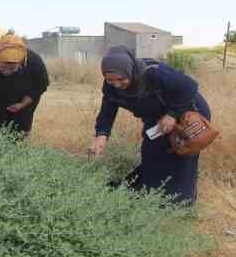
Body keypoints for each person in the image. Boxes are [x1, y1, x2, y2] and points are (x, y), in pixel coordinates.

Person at [88, 45, 211, 205]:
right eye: (110, 80)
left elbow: (189, 86)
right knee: (152, 151)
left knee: (181, 153)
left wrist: (172, 114)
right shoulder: (110, 88)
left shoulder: (153, 73)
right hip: (156, 116)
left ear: (129, 70)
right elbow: (107, 111)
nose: (116, 84)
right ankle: (150, 196)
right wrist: (101, 135)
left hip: (187, 112)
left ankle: (180, 203)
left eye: (121, 79)